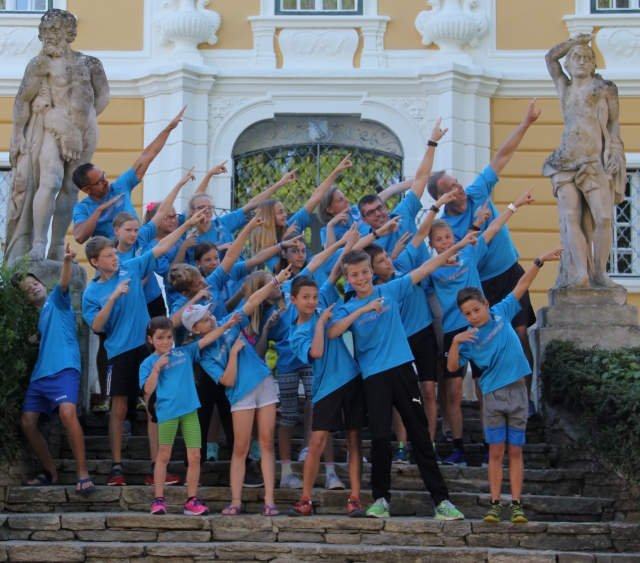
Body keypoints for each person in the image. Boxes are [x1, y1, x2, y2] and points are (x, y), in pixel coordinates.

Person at [326, 238, 476, 520]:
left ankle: (441, 501)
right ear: (347, 279)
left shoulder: (390, 290)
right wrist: (361, 310)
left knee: (420, 435)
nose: (361, 278)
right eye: (354, 275)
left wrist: (457, 246)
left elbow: (426, 268)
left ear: (372, 271)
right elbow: (333, 332)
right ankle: (381, 500)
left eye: (364, 272)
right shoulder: (347, 308)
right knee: (381, 438)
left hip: (403, 370)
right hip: (373, 377)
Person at [428, 100, 541, 417]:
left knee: (520, 334)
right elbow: (460, 254)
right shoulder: (445, 229)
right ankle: (486, 407)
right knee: (486, 345)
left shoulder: (478, 191)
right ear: (442, 198)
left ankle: (527, 399)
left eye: (456, 182)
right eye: (451, 188)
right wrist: (476, 224)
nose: (459, 187)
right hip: (481, 286)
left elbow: (501, 157)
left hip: (510, 271)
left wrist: (526, 123)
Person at [81, 207, 206, 486]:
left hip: (146, 349)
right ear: (95, 262)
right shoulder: (91, 293)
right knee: (119, 408)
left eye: (114, 254)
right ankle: (116, 468)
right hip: (118, 352)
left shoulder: (131, 267)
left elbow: (160, 247)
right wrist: (113, 297)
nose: (115, 258)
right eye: (109, 256)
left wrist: (187, 224)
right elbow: (97, 326)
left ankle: (155, 467)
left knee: (153, 406)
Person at [447, 247, 563, 524]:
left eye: (476, 310)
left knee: (516, 450)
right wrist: (455, 342)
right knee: (496, 451)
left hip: (518, 393)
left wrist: (539, 260)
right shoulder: (468, 338)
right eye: (467, 314)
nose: (474, 316)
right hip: (492, 397)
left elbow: (522, 284)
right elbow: (451, 368)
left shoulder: (502, 312)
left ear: (486, 305)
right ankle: (495, 504)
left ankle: (517, 504)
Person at [425, 186, 536, 468]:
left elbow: (494, 228)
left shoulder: (468, 254)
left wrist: (516, 203)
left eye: (448, 237)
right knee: (453, 391)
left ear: (454, 237)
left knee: (483, 387)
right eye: (438, 239)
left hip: (481, 328)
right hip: (454, 332)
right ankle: (458, 449)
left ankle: (490, 448)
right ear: (432, 244)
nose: (444, 242)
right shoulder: (431, 268)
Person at [188, 265, 293, 516]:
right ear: (195, 330)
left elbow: (253, 300)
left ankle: (269, 500)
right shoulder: (204, 355)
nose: (211, 319)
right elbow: (227, 380)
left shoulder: (228, 323)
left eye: (209, 314)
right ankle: (235, 501)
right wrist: (233, 353)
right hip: (239, 394)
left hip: (264, 383)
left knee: (266, 442)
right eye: (205, 319)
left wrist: (275, 281)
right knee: (240, 447)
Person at [287, 242, 368, 518]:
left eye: (314, 296)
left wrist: (350, 242)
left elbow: (334, 273)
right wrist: (321, 323)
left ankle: (355, 498)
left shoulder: (322, 299)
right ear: (293, 300)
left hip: (352, 379)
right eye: (305, 298)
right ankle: (305, 499)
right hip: (325, 388)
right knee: (317, 441)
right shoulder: (297, 333)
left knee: (354, 439)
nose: (312, 301)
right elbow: (317, 352)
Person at [544, 34, 625, 289]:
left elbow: (613, 125)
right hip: (564, 161)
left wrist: (615, 153)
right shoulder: (564, 87)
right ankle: (580, 273)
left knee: (603, 218)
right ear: (568, 65)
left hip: (593, 162)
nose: (581, 61)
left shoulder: (604, 89)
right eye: (576, 58)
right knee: (572, 218)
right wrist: (574, 42)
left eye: (587, 58)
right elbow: (550, 58)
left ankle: (600, 272)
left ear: (593, 64)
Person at [141, 314, 241, 516]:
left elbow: (207, 339)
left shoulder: (184, 352)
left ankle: (192, 500)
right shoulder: (148, 363)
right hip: (168, 413)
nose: (166, 342)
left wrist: (227, 325)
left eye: (169, 337)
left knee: (195, 455)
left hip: (189, 411)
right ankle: (158, 500)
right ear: (150, 339)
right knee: (164, 455)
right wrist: (157, 367)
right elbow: (148, 389)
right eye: (160, 338)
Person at [14, 243, 93, 493]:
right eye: (28, 289)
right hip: (40, 376)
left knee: (68, 414)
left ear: (42, 284)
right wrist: (37, 338)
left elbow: (64, 283)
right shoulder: (41, 318)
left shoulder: (57, 302)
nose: (34, 287)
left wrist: (67, 261)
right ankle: (50, 473)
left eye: (34, 283)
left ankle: (82, 473)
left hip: (64, 369)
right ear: (26, 300)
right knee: (27, 423)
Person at [72, 106, 186, 244]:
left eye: (103, 176)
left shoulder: (120, 187)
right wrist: (100, 209)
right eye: (99, 181)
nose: (106, 182)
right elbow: (79, 237)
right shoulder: (83, 208)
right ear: (86, 189)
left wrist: (169, 128)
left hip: (140, 246)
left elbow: (147, 156)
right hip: (115, 253)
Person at [250, 155, 353, 272]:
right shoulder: (265, 246)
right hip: (295, 279)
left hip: (314, 270)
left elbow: (315, 197)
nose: (285, 215)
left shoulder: (292, 225)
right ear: (269, 218)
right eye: (280, 212)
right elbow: (278, 269)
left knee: (345, 251)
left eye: (284, 211)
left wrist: (336, 171)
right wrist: (284, 242)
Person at [183, 168, 300, 266]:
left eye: (210, 207)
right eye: (202, 208)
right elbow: (198, 272)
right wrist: (218, 248)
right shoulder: (192, 242)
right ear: (192, 211)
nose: (207, 211)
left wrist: (280, 183)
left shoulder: (222, 222)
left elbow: (252, 204)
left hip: (243, 279)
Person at [318, 179, 412, 248]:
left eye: (344, 197)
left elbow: (391, 189)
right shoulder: (327, 231)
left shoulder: (360, 210)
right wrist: (330, 225)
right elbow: (330, 257)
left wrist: (419, 180)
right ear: (329, 209)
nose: (347, 201)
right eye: (340, 200)